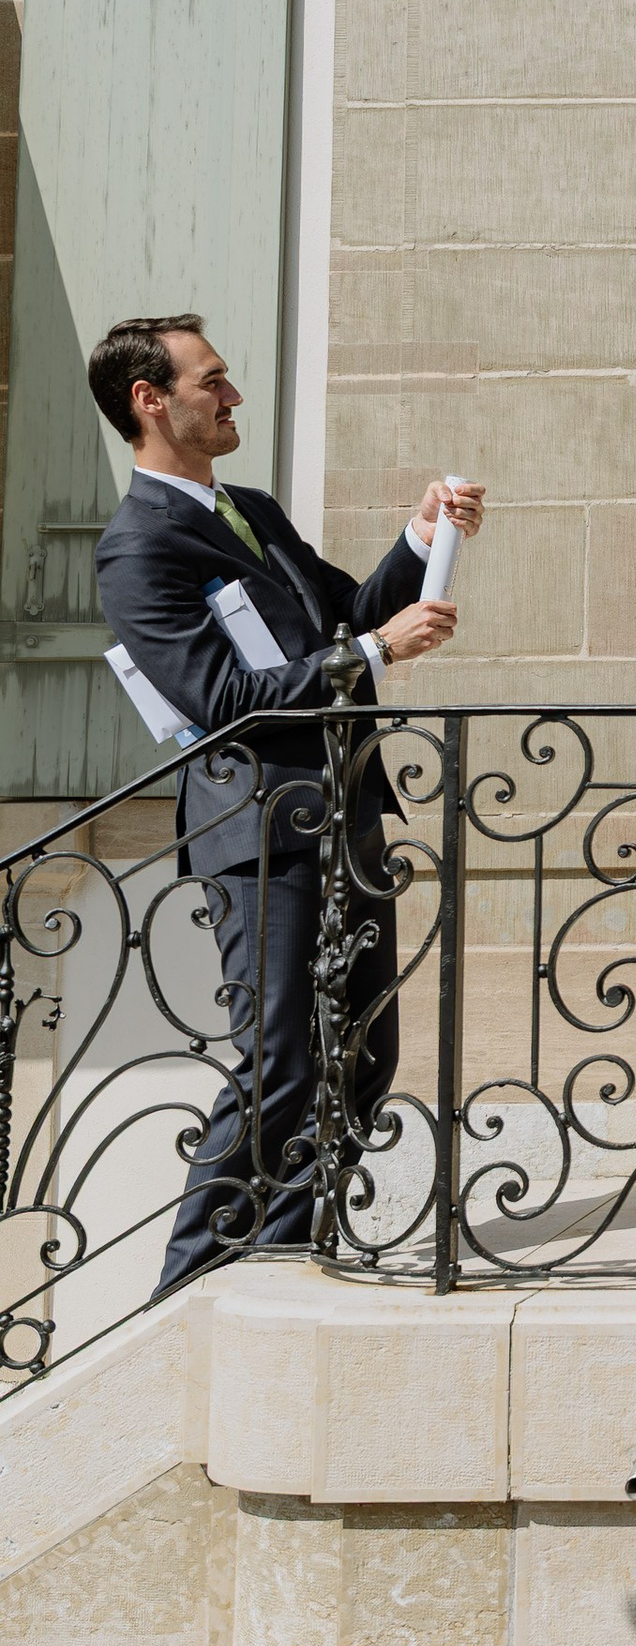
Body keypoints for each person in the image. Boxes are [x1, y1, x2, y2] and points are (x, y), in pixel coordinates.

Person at [87, 314, 483, 1296]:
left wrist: (420, 538)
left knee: (367, 1054)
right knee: (281, 1061)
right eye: (212, 381)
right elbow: (222, 698)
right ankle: (186, 1285)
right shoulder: (136, 546)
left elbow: (345, 615)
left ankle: (287, 1248)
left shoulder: (250, 509)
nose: (232, 397)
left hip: (346, 810)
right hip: (259, 830)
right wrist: (376, 650)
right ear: (149, 399)